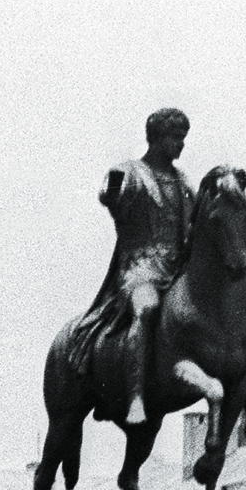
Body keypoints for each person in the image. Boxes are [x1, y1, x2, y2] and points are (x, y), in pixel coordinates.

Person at [67, 107, 194, 427]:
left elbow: (197, 218)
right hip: (140, 269)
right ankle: (135, 396)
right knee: (147, 309)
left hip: (177, 270)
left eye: (183, 138)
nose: (181, 145)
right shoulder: (132, 171)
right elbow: (112, 193)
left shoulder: (182, 181)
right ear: (157, 138)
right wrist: (113, 189)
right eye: (176, 138)